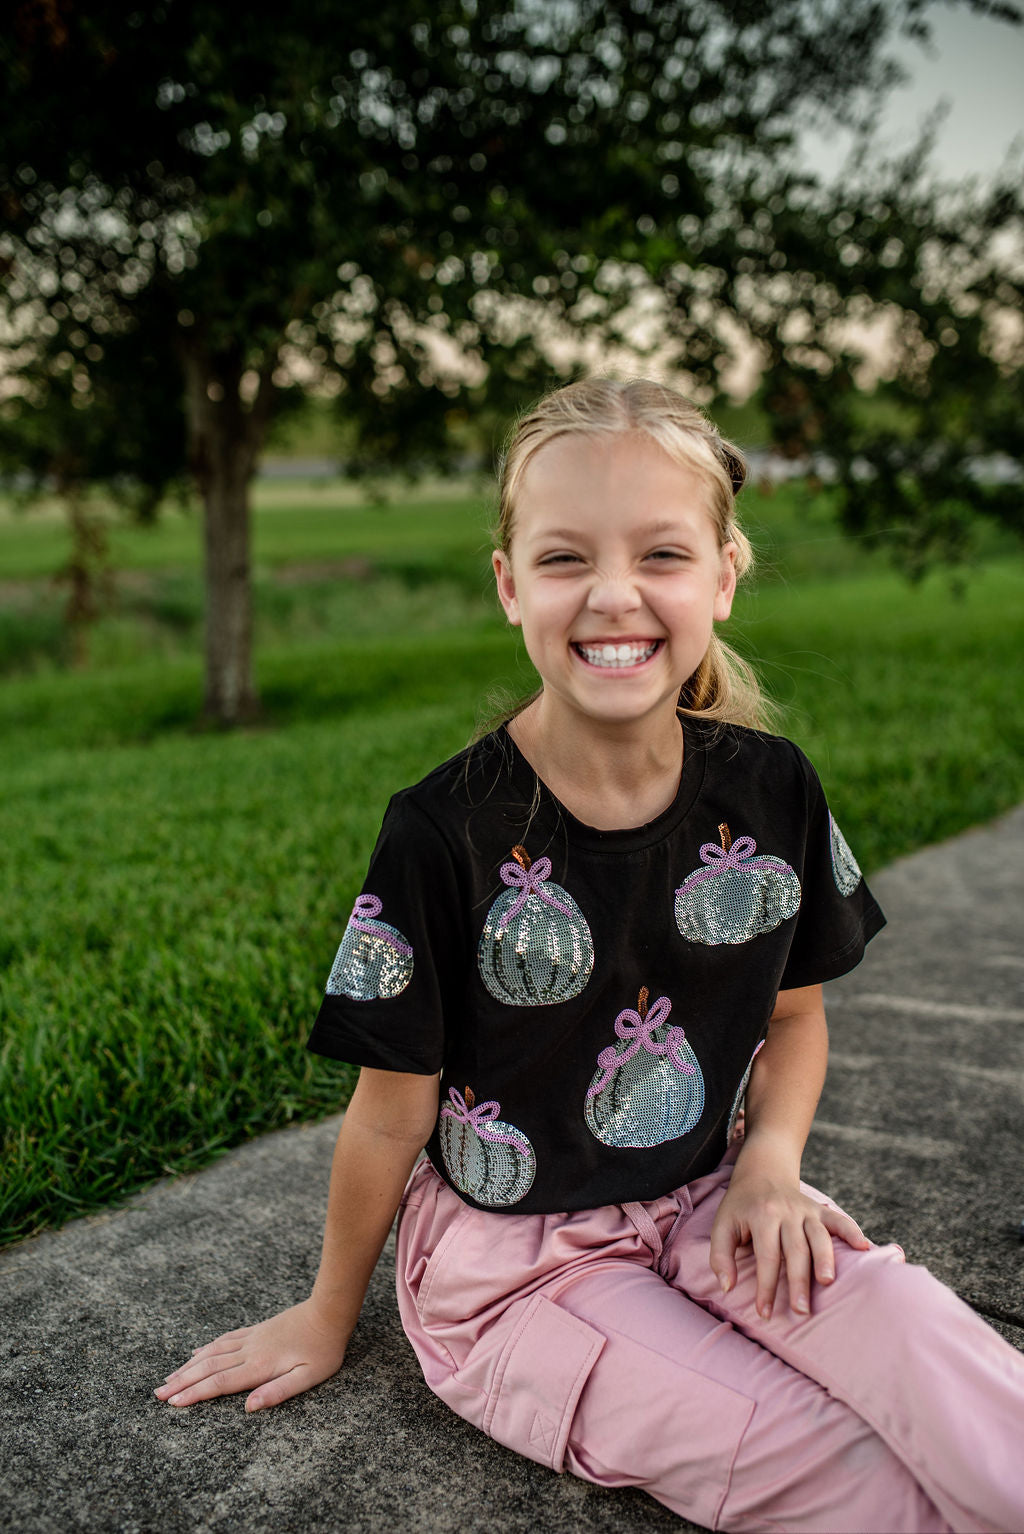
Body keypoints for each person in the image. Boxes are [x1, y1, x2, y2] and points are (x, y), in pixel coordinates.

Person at [156, 378, 1024, 1533]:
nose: (613, 593)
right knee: (816, 1457)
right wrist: (327, 1312)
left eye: (660, 553)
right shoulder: (444, 832)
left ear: (724, 571)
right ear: (510, 584)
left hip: (707, 1195)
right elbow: (384, 1116)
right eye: (565, 558)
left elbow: (795, 1019)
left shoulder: (771, 791)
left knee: (933, 1353)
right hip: (515, 1270)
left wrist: (769, 1162)